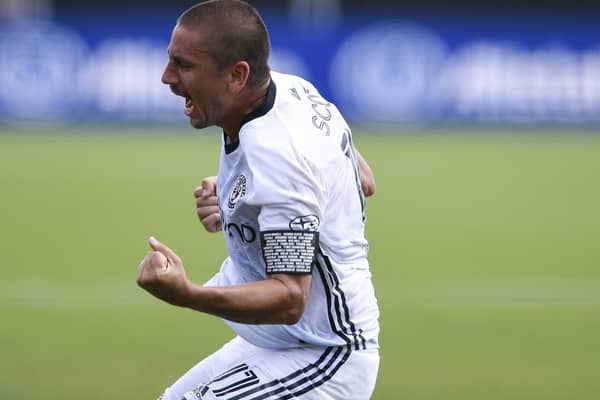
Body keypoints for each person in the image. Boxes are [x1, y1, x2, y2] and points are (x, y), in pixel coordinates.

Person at [136, 1, 380, 399]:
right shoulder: (292, 89)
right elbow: (362, 178)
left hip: (324, 354)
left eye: (183, 65)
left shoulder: (282, 158)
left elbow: (288, 297)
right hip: (282, 342)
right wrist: (245, 195)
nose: (167, 77)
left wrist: (186, 294)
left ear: (237, 75)